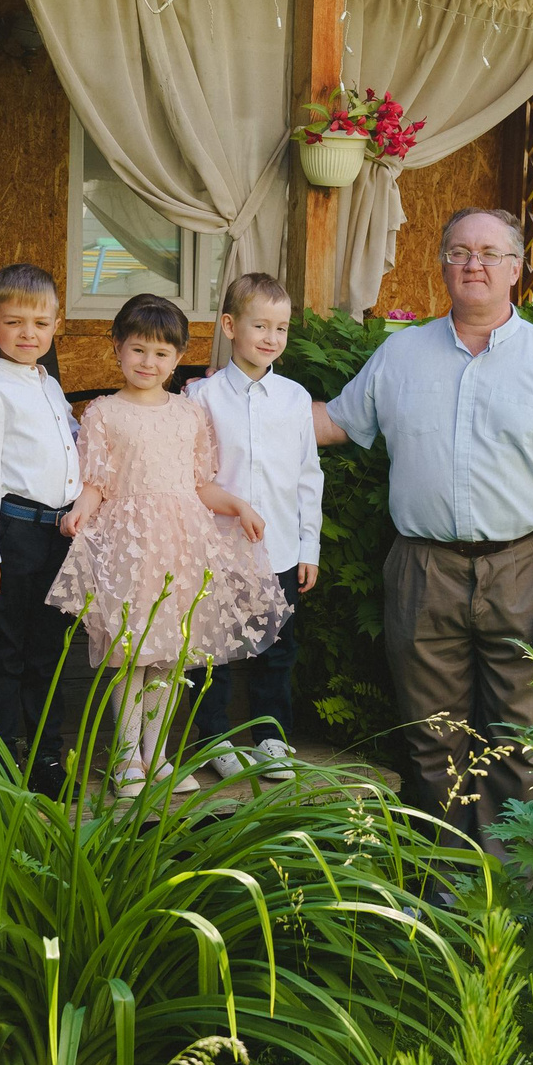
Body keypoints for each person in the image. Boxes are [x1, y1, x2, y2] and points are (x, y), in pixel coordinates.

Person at [313, 207, 533, 847]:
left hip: (526, 569)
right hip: (423, 569)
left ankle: (514, 893)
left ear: (514, 268)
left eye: (488, 252)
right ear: (443, 264)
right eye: (459, 251)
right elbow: (335, 423)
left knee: (523, 739)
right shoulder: (400, 354)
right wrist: (234, 405)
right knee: (431, 735)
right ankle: (448, 886)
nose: (472, 264)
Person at [48, 294, 287, 793]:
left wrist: (239, 506)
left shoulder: (189, 414)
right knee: (128, 652)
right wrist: (79, 512)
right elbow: (96, 481)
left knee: (166, 653)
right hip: (128, 546)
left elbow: (202, 483)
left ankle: (156, 755)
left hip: (181, 545)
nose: (148, 363)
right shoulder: (103, 412)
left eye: (161, 354)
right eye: (138, 351)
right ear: (117, 349)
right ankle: (125, 758)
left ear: (178, 357)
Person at [187, 273, 323, 782]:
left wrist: (308, 545)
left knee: (278, 647)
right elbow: (193, 475)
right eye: (259, 325)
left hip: (281, 548)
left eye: (281, 328)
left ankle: (271, 738)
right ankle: (215, 741)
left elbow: (309, 475)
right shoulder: (202, 397)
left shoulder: (293, 397)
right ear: (230, 326)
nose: (271, 337)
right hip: (218, 547)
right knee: (213, 649)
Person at [0, 263, 80, 785]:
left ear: (56, 324)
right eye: (14, 323)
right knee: (5, 648)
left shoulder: (48, 383)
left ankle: (45, 757)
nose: (28, 334)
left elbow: (69, 445)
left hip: (57, 536)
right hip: (15, 534)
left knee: (48, 650)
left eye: (39, 323)